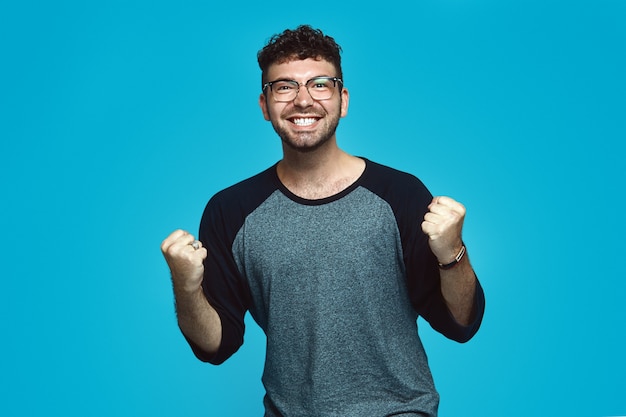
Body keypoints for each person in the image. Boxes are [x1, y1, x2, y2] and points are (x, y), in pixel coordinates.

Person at [161, 25, 485, 417]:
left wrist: (453, 253)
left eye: (320, 84)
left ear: (342, 99)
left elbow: (460, 324)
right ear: (264, 105)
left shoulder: (400, 195)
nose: (302, 100)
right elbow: (216, 346)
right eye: (284, 87)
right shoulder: (231, 210)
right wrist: (186, 286)